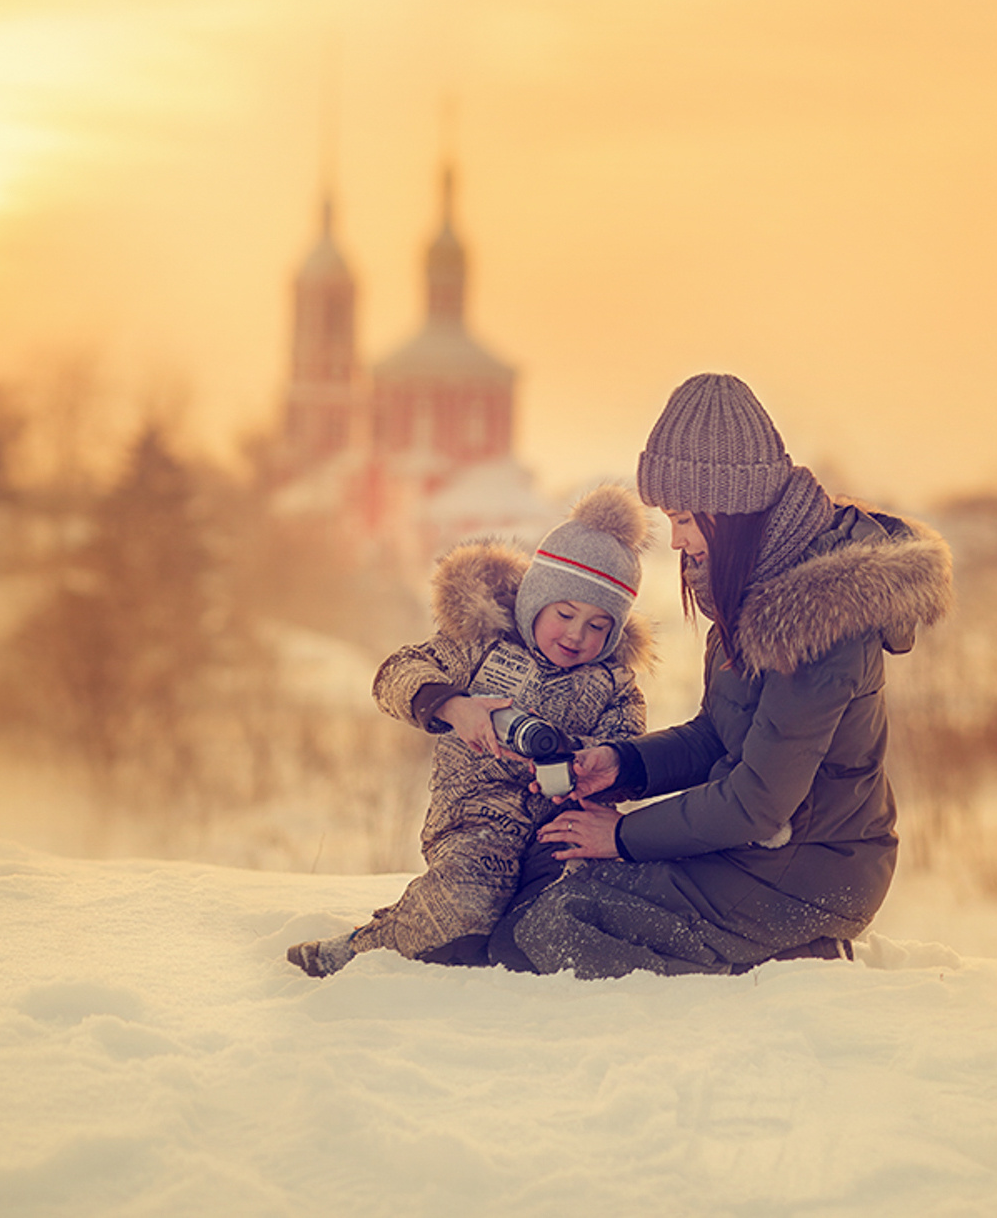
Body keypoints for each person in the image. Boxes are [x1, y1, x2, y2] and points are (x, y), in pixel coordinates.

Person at [486, 374, 955, 979]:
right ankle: (758, 959)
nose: (677, 541)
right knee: (541, 890)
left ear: (730, 509)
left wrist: (622, 836)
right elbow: (718, 735)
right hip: (761, 851)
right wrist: (622, 765)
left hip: (808, 873)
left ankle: (776, 969)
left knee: (549, 930)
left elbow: (759, 802)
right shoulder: (757, 588)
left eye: (683, 519)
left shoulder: (818, 622)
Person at [287, 486, 654, 977]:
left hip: (563, 826)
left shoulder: (613, 683)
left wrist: (575, 755)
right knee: (465, 906)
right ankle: (365, 948)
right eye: (565, 614)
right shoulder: (480, 645)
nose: (576, 635)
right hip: (477, 821)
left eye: (597, 626)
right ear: (536, 600)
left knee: (565, 912)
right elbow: (394, 675)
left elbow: (630, 755)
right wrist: (454, 706)